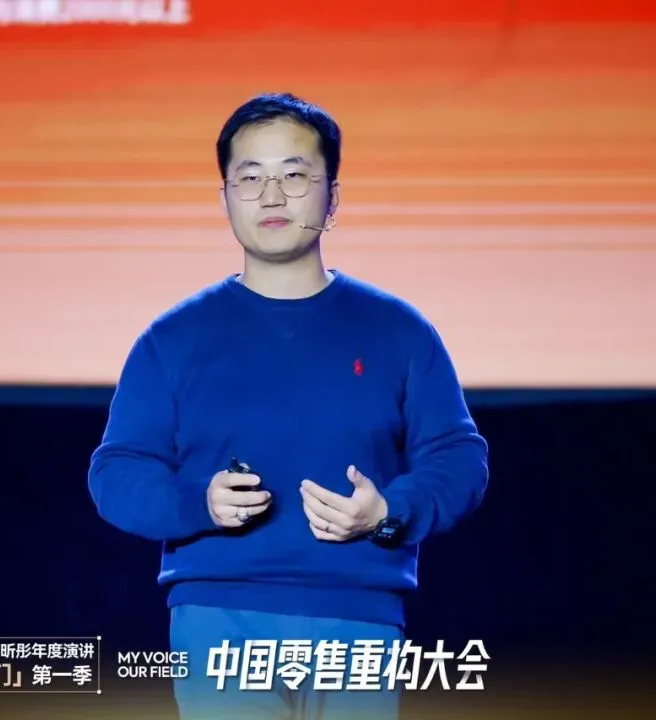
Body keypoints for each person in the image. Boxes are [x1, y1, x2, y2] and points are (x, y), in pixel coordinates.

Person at [87, 92, 489, 720]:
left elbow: (459, 459)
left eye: (294, 175)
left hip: (359, 618)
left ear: (333, 196)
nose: (272, 197)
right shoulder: (173, 340)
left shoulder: (399, 331)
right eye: (250, 178)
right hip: (219, 619)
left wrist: (389, 511)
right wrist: (199, 503)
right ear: (225, 197)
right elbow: (116, 473)